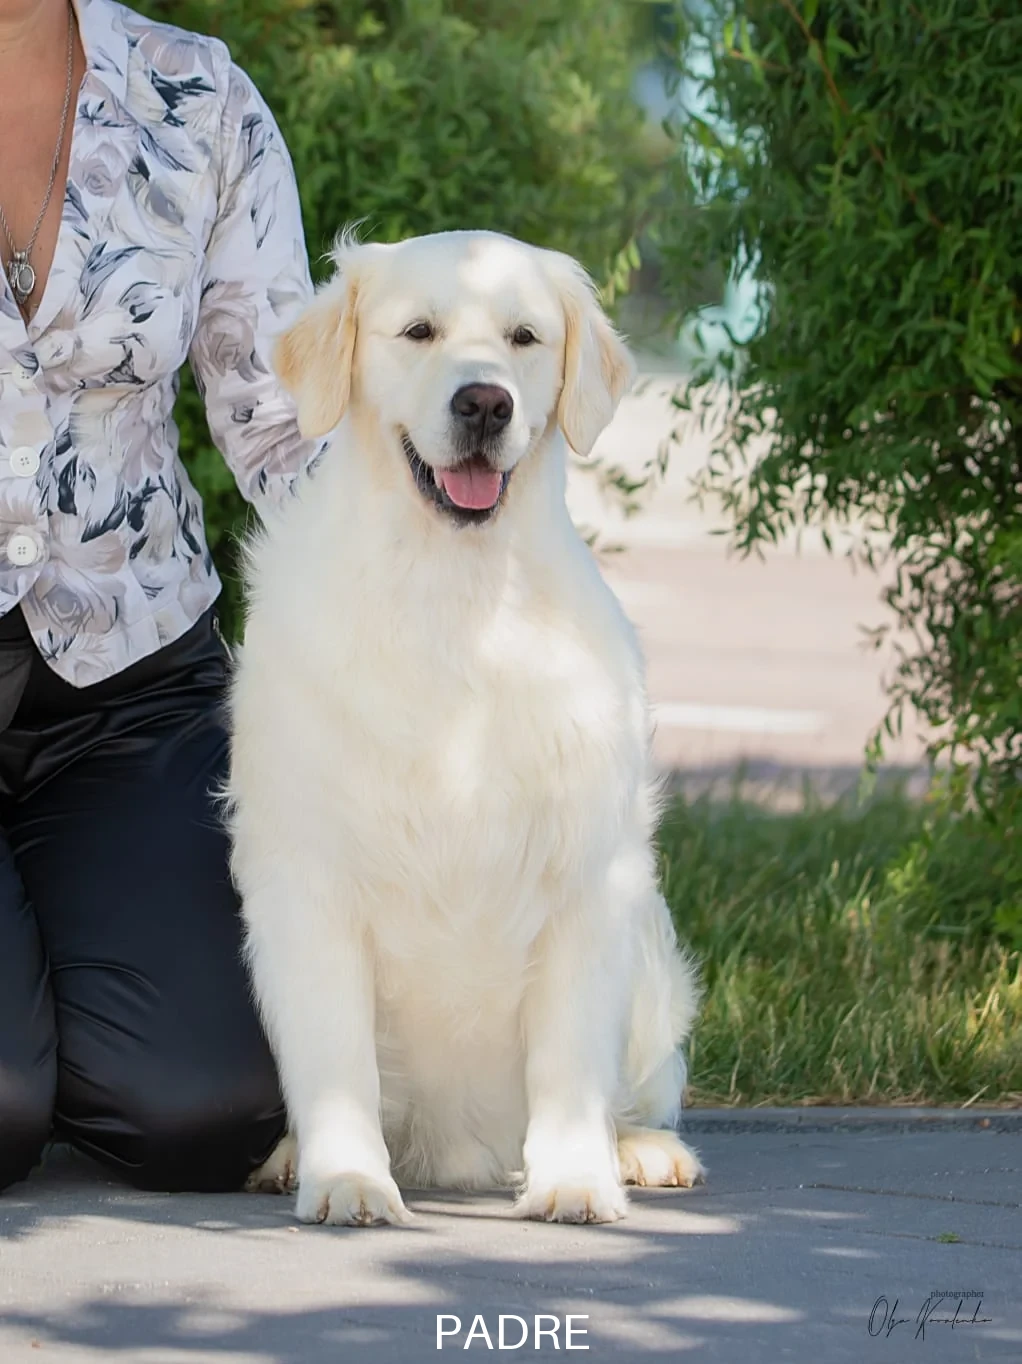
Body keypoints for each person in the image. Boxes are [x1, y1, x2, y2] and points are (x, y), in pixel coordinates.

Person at [0, 0, 324, 1194]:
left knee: (209, 1105)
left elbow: (282, 421)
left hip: (129, 687)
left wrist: (448, 597)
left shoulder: (198, 94)